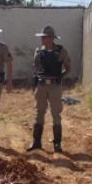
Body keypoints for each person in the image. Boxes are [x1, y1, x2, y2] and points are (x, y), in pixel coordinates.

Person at [27, 25, 71, 153]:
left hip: (55, 86)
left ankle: (57, 144)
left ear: (51, 38)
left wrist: (59, 77)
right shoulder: (38, 51)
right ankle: (36, 142)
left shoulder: (61, 51)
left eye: (45, 37)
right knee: (39, 112)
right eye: (42, 37)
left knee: (56, 114)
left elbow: (68, 68)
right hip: (41, 86)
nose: (42, 39)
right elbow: (35, 66)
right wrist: (38, 77)